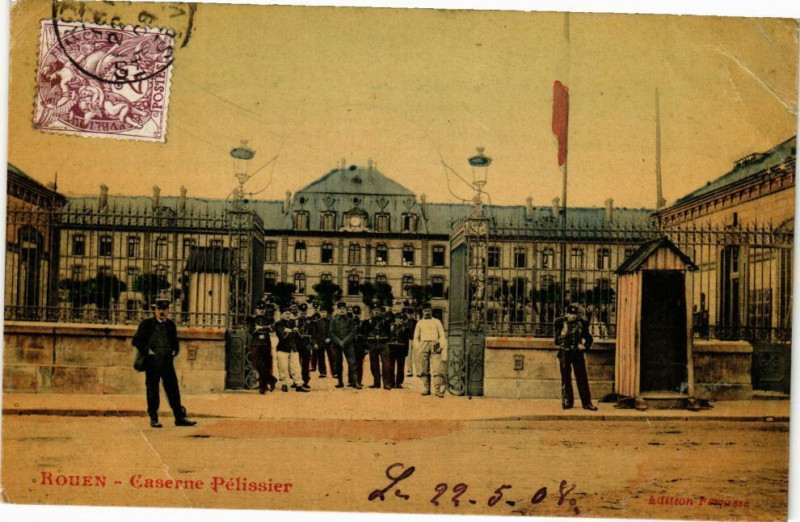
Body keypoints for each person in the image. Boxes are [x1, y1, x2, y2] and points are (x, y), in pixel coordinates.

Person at [132, 297, 196, 428]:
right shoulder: (147, 324)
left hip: (167, 361)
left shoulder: (171, 325)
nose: (161, 312)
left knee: (173, 389)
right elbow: (136, 341)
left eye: (164, 309)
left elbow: (175, 341)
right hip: (152, 362)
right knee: (152, 389)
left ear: (168, 310)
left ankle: (179, 418)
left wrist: (175, 350)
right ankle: (154, 418)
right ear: (155, 310)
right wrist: (148, 351)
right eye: (159, 309)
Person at [554, 304, 598, 411]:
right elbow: (556, 341)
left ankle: (587, 403)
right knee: (566, 378)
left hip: (577, 354)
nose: (572, 316)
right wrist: (561, 335)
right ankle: (568, 401)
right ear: (566, 314)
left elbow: (589, 339)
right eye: (570, 314)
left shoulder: (582, 323)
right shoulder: (560, 323)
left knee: (582, 378)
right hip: (565, 353)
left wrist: (584, 346)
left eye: (574, 314)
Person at [413, 303, 448, 397]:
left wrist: (441, 346)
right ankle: (426, 388)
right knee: (423, 368)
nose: (427, 312)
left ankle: (437, 390)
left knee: (437, 368)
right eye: (425, 311)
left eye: (429, 310)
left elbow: (442, 335)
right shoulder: (419, 323)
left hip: (435, 344)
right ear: (422, 312)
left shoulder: (437, 322)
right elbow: (416, 337)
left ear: (431, 311)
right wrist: (418, 347)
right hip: (423, 345)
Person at [246, 300, 278, 394]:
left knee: (265, 365)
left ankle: (262, 387)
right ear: (256, 309)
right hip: (256, 344)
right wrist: (264, 327)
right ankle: (271, 380)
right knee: (257, 364)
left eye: (263, 309)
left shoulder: (269, 319)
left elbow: (272, 329)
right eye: (259, 309)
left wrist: (261, 328)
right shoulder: (252, 319)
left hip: (266, 344)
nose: (261, 311)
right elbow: (251, 331)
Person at [275, 308, 308, 392]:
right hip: (282, 348)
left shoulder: (292, 323)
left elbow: (298, 334)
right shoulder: (278, 324)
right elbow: (281, 335)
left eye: (289, 314)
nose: (288, 315)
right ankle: (284, 384)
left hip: (293, 348)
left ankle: (298, 384)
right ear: (282, 314)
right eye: (286, 313)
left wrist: (295, 330)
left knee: (296, 367)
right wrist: (291, 331)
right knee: (283, 367)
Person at [329, 301, 358, 388]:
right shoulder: (333, 320)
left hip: (348, 344)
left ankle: (354, 382)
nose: (342, 310)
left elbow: (352, 332)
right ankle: (340, 382)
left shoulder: (350, 320)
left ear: (346, 310)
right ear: (337, 310)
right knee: (338, 363)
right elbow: (331, 333)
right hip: (336, 345)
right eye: (340, 309)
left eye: (343, 309)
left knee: (352, 362)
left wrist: (344, 341)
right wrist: (339, 341)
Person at [366, 304, 393, 390]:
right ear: (372, 312)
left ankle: (386, 383)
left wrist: (387, 343)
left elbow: (389, 333)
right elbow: (366, 334)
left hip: (383, 344)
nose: (376, 311)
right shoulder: (368, 322)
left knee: (386, 364)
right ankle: (376, 382)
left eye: (378, 310)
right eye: (375, 310)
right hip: (372, 344)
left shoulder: (385, 321)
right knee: (373, 364)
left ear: (380, 311)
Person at [388, 310, 412, 389]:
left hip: (401, 350)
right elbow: (388, 338)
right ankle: (391, 382)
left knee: (401, 367)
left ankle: (399, 383)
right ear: (395, 319)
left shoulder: (405, 329)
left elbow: (406, 341)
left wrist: (406, 352)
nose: (400, 320)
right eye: (399, 318)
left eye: (402, 319)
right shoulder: (391, 327)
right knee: (391, 367)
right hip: (392, 349)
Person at [313, 309, 335, 378]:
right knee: (320, 357)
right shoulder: (316, 322)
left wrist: (330, 338)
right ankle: (322, 372)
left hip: (329, 342)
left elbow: (333, 331)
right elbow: (314, 334)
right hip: (320, 343)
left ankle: (334, 372)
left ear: (327, 313)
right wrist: (315, 343)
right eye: (322, 312)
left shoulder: (330, 322)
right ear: (320, 313)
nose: (323, 313)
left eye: (324, 312)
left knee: (332, 357)